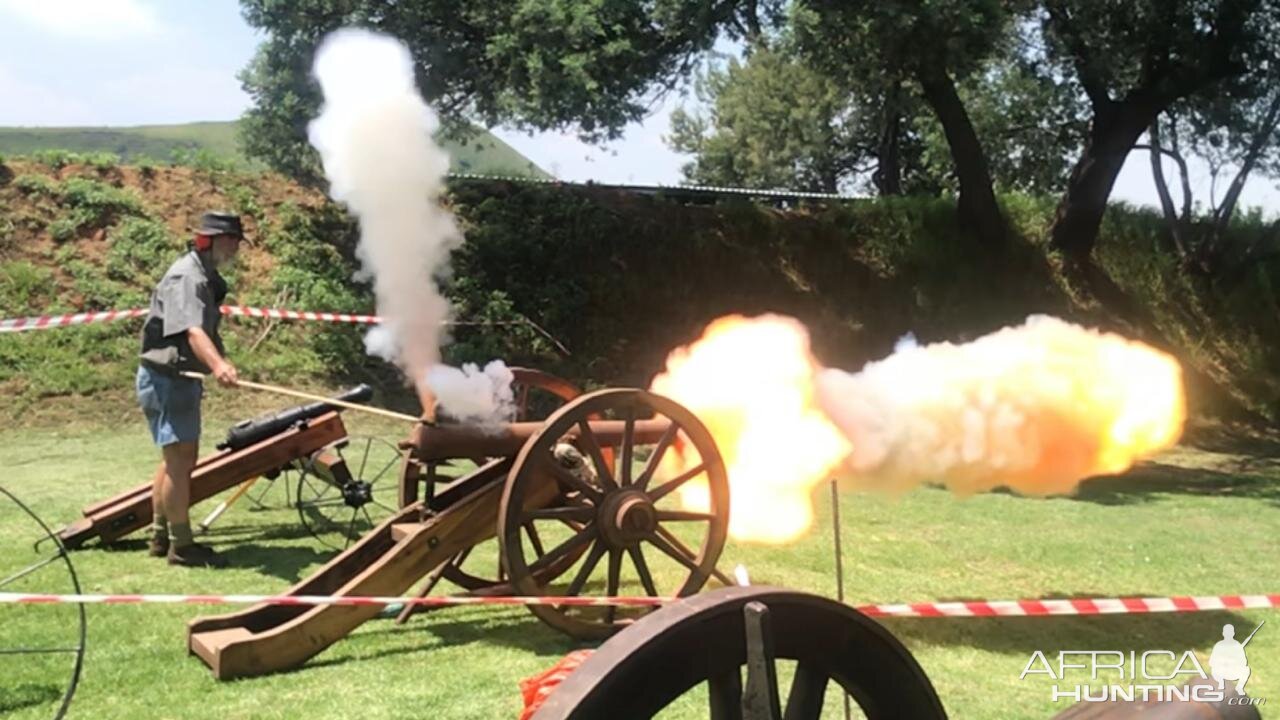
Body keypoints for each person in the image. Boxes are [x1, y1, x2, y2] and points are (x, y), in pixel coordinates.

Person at [136, 211, 243, 567]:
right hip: (168, 379)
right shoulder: (187, 277)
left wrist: (217, 359)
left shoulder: (203, 275)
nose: (236, 247)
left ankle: (160, 535)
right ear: (212, 239)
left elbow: (206, 331)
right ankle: (181, 547)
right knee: (180, 462)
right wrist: (218, 366)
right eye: (232, 240)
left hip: (173, 377)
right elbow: (192, 331)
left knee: (176, 460)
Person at [1209, 623, 1251, 695]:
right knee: (1215, 669)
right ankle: (1221, 685)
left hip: (1232, 671)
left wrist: (1233, 661)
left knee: (1246, 669)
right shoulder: (1219, 645)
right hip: (1220, 672)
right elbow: (1211, 662)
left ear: (1233, 633)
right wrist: (1223, 661)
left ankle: (1239, 688)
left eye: (1230, 632)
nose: (1228, 634)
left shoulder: (1237, 645)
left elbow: (1244, 662)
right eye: (1226, 632)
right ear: (1223, 633)